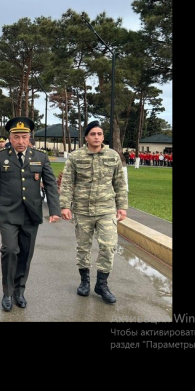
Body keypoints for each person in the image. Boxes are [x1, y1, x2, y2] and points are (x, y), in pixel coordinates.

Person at [0, 117, 61, 311]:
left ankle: (20, 291)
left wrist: (54, 209)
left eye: (24, 137)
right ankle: (8, 292)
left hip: (31, 213)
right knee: (10, 250)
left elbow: (51, 184)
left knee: (26, 254)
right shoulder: (0, 156)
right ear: (10, 137)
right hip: (8, 212)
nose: (20, 141)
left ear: (29, 138)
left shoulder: (40, 156)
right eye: (16, 137)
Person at [59, 120, 128, 304]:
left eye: (99, 134)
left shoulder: (113, 156)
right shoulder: (75, 157)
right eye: (93, 134)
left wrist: (122, 206)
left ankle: (102, 284)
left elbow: (120, 183)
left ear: (103, 137)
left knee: (108, 246)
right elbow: (66, 182)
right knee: (83, 247)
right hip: (82, 210)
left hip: (106, 209)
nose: (96, 137)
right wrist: (65, 205)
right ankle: (84, 282)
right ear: (86, 137)